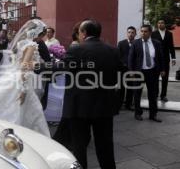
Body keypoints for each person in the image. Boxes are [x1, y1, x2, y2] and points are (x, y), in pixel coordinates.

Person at [35, 19, 121, 169]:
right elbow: (120, 73)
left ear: (84, 33)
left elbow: (61, 67)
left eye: (80, 31)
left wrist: (38, 67)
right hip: (104, 106)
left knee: (79, 146)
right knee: (105, 146)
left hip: (79, 106)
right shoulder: (112, 50)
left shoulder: (77, 49)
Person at [128, 24, 165, 122]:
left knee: (153, 94)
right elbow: (131, 58)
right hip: (139, 73)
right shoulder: (136, 43)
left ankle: (153, 114)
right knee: (137, 93)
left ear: (150, 33)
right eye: (142, 31)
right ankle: (138, 113)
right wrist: (131, 71)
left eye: (145, 31)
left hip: (152, 72)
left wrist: (162, 69)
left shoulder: (156, 43)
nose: (143, 33)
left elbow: (161, 57)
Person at [151, 19, 176, 102]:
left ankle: (163, 95)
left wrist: (173, 58)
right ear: (157, 24)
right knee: (155, 78)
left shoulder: (169, 34)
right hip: (156, 59)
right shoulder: (153, 34)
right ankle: (155, 94)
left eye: (162, 23)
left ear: (164, 24)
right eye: (159, 23)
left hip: (165, 59)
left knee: (165, 78)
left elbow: (171, 46)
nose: (160, 24)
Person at [117, 26, 136, 110]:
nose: (130, 34)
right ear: (126, 33)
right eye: (129, 32)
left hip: (133, 70)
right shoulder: (121, 43)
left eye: (132, 32)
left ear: (135, 34)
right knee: (121, 88)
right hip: (123, 70)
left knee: (130, 88)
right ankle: (119, 104)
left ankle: (128, 104)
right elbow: (118, 56)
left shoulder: (137, 43)